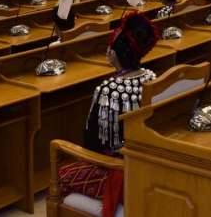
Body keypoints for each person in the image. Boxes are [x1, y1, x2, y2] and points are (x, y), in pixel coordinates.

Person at [57, 12, 158, 217]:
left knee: (63, 174)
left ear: (113, 54)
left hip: (117, 170)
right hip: (147, 161)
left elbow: (91, 145)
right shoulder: (152, 77)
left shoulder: (108, 90)